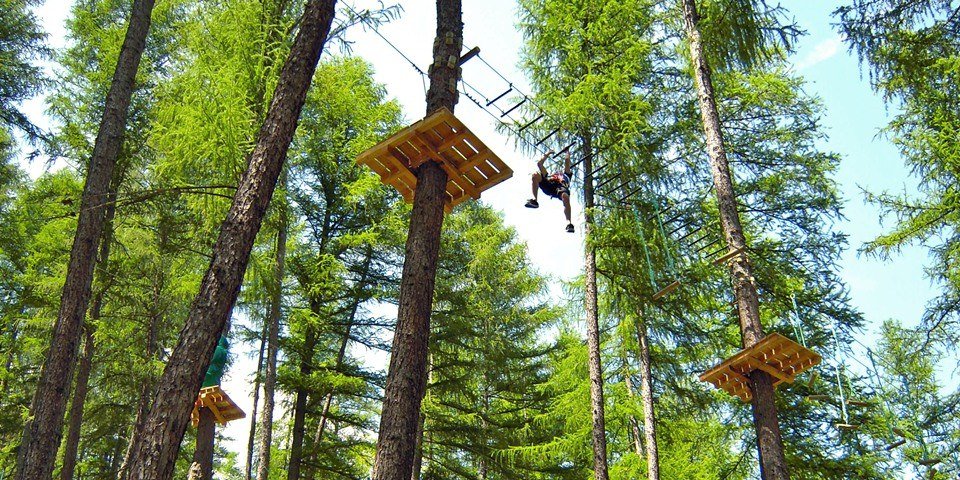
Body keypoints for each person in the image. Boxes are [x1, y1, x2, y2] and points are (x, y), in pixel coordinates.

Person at [525, 150, 574, 233]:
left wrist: (567, 153)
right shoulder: (550, 176)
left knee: (565, 197)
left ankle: (569, 223)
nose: (558, 172)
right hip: (549, 185)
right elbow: (539, 164)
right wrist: (548, 153)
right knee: (535, 175)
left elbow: (566, 162)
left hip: (561, 188)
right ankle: (534, 200)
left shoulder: (566, 175)